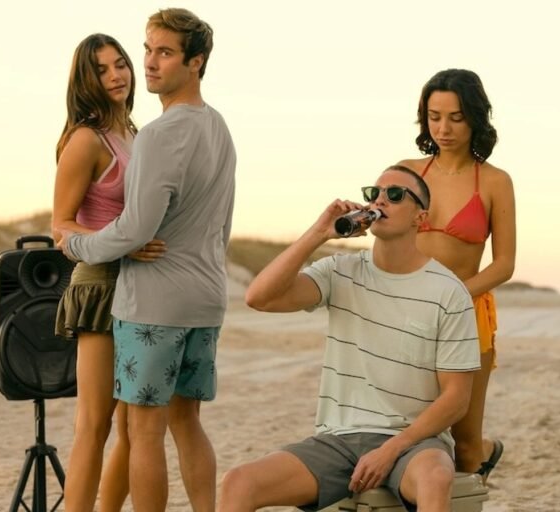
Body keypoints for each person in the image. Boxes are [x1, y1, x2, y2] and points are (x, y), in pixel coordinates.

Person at [219, 166, 481, 512]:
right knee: (239, 482)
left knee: (435, 478)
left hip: (416, 443)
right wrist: (318, 233)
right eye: (375, 193)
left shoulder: (448, 292)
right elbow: (259, 298)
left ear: (421, 217)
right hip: (339, 440)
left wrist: (390, 449)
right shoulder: (340, 271)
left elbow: (456, 400)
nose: (381, 200)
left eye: (396, 194)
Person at [59, 8, 235, 512]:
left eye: (164, 53)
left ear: (195, 62)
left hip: (154, 301)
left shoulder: (156, 134)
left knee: (143, 429)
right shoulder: (220, 127)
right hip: (206, 298)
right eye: (148, 50)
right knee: (187, 421)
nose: (148, 64)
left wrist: (75, 244)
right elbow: (223, 224)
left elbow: (135, 229)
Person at [51, 33, 166, 512]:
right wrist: (122, 244)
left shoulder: (138, 135)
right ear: (86, 79)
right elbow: (60, 227)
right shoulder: (85, 140)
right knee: (94, 424)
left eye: (121, 64)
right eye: (102, 69)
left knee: (130, 428)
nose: (117, 75)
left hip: (144, 288)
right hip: (99, 286)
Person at [396, 68, 515, 482]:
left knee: (465, 443)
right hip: (405, 312)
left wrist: (449, 296)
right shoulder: (407, 173)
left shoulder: (496, 181)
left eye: (456, 118)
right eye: (434, 116)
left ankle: (484, 452)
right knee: (400, 431)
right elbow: (382, 234)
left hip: (465, 314)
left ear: (476, 118)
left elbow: (504, 264)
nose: (443, 128)